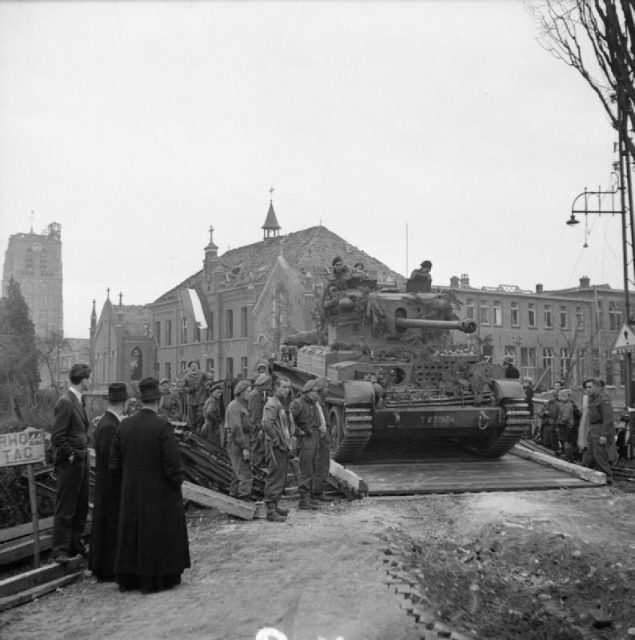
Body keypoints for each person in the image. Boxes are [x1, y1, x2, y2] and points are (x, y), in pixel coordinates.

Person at [110, 377, 190, 593]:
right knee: (156, 533)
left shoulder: (124, 425)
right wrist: (175, 484)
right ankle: (159, 578)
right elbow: (173, 465)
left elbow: (113, 464)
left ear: (141, 400)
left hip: (131, 494)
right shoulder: (162, 426)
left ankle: (129, 578)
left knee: (132, 533)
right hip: (158, 494)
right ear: (159, 400)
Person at [51, 363, 92, 564]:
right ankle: (60, 550)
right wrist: (71, 454)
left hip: (81, 458)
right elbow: (57, 437)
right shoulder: (65, 402)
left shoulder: (78, 400)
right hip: (71, 462)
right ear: (83, 379)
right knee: (66, 505)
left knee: (81, 504)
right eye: (89, 378)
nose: (90, 381)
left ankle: (76, 544)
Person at [89, 382, 128, 581]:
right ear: (124, 403)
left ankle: (106, 566)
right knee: (109, 524)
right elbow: (112, 457)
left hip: (107, 482)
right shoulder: (109, 426)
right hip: (110, 484)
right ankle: (106, 568)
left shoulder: (108, 422)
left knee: (107, 524)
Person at [261, 376, 294, 522]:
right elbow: (267, 423)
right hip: (276, 447)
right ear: (276, 388)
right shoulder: (272, 404)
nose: (286, 390)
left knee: (280, 475)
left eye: (288, 387)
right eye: (283, 387)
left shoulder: (279, 403)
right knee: (275, 476)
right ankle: (270, 511)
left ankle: (275, 505)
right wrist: (275, 440)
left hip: (282, 446)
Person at [290, 379, 325, 511]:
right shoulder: (298, 404)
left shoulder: (314, 404)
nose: (316, 394)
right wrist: (298, 432)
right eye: (314, 392)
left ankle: (308, 497)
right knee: (306, 471)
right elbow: (290, 419)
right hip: (305, 442)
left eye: (317, 392)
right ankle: (303, 500)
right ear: (307, 392)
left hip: (314, 439)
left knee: (312, 469)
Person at [581, 377, 616, 484]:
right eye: (586, 387)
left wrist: (604, 435)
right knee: (590, 453)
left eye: (590, 387)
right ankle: (586, 472)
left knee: (600, 455)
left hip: (600, 429)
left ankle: (607, 477)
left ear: (597, 387)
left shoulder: (603, 399)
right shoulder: (592, 398)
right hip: (593, 429)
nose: (587, 389)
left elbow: (608, 419)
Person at [225, 379, 254, 500]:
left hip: (242, 439)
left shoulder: (242, 405)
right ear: (241, 392)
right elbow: (237, 428)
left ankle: (234, 496)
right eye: (248, 391)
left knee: (237, 472)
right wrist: (244, 448)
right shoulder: (235, 406)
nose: (250, 393)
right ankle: (244, 499)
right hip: (237, 442)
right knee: (245, 473)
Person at [312, 377, 332, 502]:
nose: (328, 390)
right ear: (320, 389)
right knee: (319, 464)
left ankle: (318, 490)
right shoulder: (316, 404)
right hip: (320, 437)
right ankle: (317, 491)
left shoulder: (321, 403)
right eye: (326, 387)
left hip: (324, 436)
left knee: (323, 463)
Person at [249, 373, 272, 468]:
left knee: (259, 445)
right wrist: (259, 429)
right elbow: (256, 414)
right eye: (268, 384)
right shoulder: (256, 395)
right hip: (256, 425)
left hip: (257, 424)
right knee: (257, 444)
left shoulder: (259, 393)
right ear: (263, 384)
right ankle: (255, 465)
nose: (269, 386)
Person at [184, 361, 207, 432]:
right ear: (190, 367)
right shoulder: (186, 376)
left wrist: (205, 374)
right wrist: (189, 389)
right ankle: (193, 432)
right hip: (191, 400)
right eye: (192, 366)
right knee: (192, 419)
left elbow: (209, 376)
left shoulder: (202, 374)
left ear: (198, 367)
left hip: (200, 399)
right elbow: (184, 387)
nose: (194, 367)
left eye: (196, 366)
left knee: (200, 417)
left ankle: (199, 431)